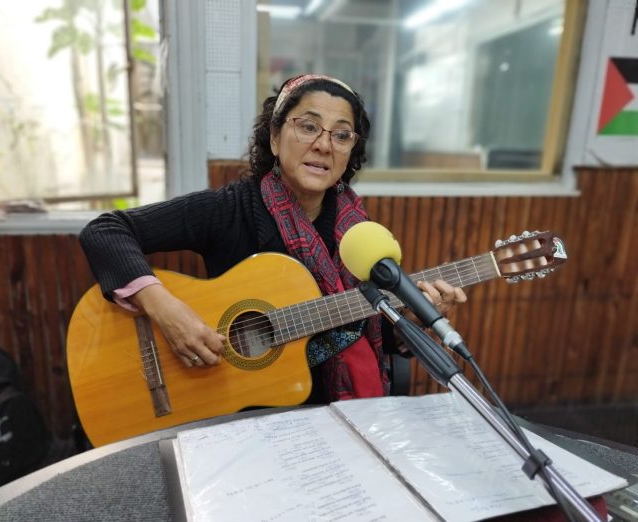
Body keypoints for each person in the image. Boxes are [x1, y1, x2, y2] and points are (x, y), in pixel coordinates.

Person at [79, 73, 467, 404]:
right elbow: (105, 230)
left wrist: (411, 319)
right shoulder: (229, 209)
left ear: (351, 152)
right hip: (236, 409)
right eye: (308, 126)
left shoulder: (359, 235)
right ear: (275, 137)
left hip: (336, 413)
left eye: (341, 135)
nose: (324, 145)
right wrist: (167, 311)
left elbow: (367, 329)